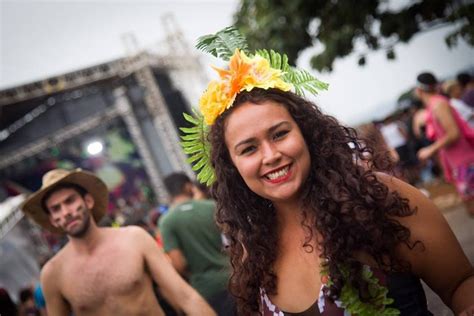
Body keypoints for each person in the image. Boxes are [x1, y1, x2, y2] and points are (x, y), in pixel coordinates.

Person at [183, 28, 474, 315]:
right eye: (248, 149)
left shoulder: (378, 199)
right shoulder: (253, 250)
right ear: (232, 167)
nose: (271, 156)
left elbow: (460, 282)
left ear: (306, 132)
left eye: (279, 134)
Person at [21, 168, 216, 316]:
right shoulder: (53, 274)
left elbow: (185, 296)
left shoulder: (134, 239)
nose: (65, 212)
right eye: (56, 209)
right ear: (53, 219)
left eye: (70, 201)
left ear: (87, 201)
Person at [159, 172, 235, 315]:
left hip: (205, 289)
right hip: (233, 278)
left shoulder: (166, 222)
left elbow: (178, 264)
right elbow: (233, 242)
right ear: (188, 186)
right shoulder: (211, 207)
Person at [415, 72, 474, 214]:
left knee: (472, 207)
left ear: (419, 90)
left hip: (464, 162)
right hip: (459, 162)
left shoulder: (438, 104)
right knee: (470, 206)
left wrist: (430, 149)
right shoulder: (434, 106)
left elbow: (453, 133)